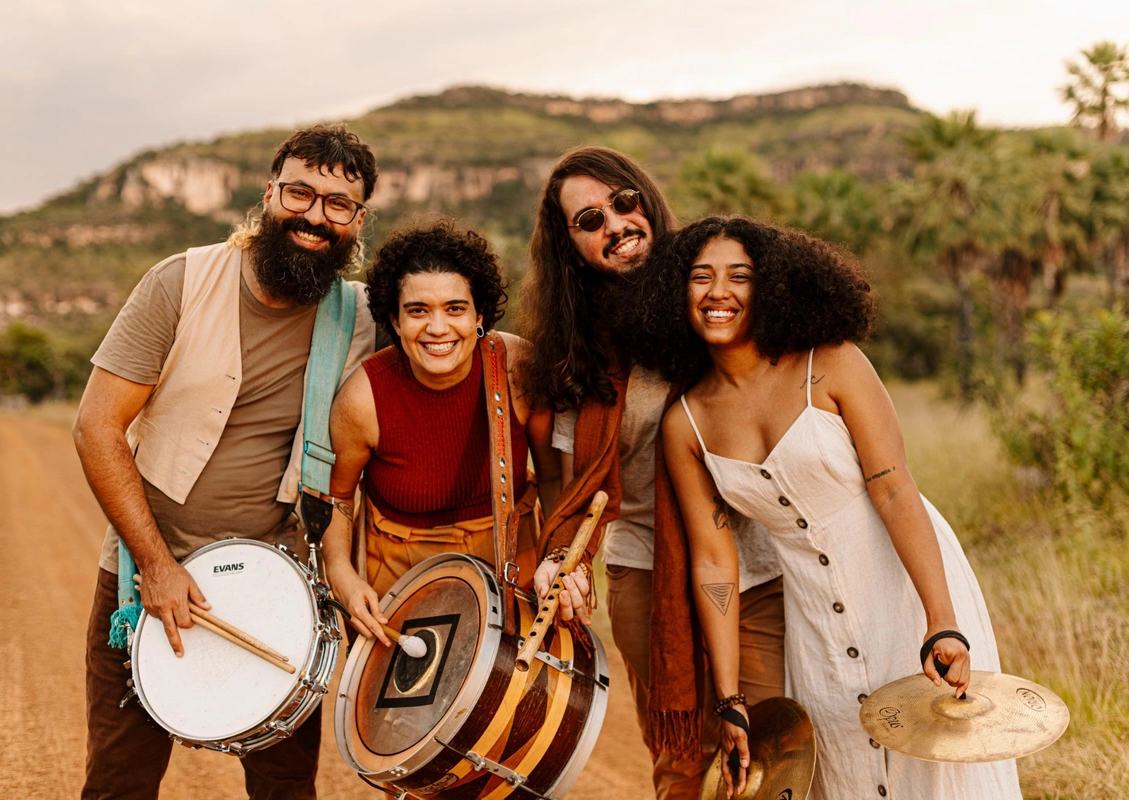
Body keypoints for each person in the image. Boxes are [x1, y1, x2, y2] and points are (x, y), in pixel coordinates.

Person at [637, 215, 1020, 798]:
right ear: (676, 293)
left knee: (939, 766)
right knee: (848, 772)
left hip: (903, 585)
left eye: (740, 276)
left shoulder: (832, 363)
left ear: (772, 287)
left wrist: (942, 619)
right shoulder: (685, 423)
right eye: (700, 277)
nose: (719, 292)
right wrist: (730, 697)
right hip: (812, 623)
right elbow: (714, 562)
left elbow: (894, 490)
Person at [72, 124, 378, 800]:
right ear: (270, 194)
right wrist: (155, 565)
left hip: (282, 591)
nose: (314, 215)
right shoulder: (178, 283)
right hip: (145, 579)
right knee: (119, 780)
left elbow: (451, 339)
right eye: (301, 193)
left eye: (337, 204)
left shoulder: (358, 317)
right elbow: (97, 427)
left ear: (357, 222)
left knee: (286, 787)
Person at [516, 146, 786, 799]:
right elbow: (562, 481)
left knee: (772, 748)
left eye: (623, 201)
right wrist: (562, 556)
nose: (615, 223)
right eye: (589, 220)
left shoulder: (718, 297)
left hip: (757, 566)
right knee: (682, 756)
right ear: (570, 246)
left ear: (647, 199)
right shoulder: (573, 350)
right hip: (644, 569)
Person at [322, 220, 563, 643]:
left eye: (455, 308)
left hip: (513, 568)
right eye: (418, 311)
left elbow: (553, 476)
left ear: (480, 315)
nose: (437, 328)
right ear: (394, 321)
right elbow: (338, 498)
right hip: (401, 585)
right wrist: (341, 574)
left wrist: (560, 557)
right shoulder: (364, 399)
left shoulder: (517, 369)